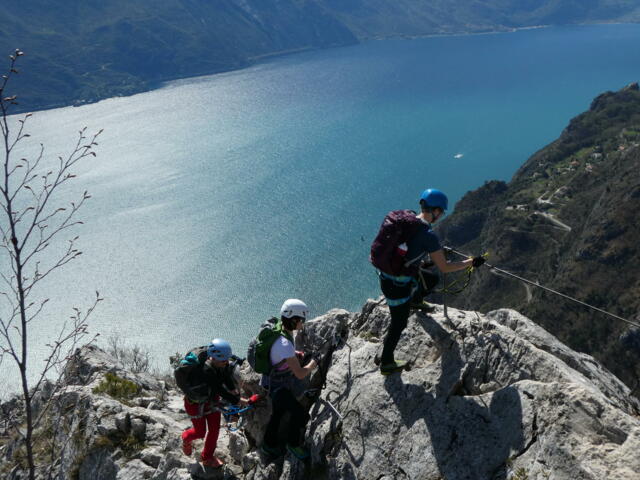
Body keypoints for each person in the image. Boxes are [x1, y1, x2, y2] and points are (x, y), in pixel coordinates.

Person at [375, 188, 485, 375]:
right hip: (397, 285)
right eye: (441, 212)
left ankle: (416, 300)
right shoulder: (428, 235)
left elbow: (412, 255)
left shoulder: (407, 220)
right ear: (435, 211)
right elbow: (445, 267)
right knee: (398, 323)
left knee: (431, 278)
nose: (441, 215)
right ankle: (386, 362)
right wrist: (470, 263)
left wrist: (435, 255)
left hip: (389, 275)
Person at [261, 299, 318, 460]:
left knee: (278, 414)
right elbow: (300, 374)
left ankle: (268, 445)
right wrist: (314, 363)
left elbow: (281, 354)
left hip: (269, 382)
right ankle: (293, 444)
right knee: (301, 415)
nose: (303, 323)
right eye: (302, 320)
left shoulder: (279, 330)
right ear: (294, 320)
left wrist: (294, 355)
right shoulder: (284, 343)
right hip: (278, 387)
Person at [179, 338, 248, 468]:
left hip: (211, 400)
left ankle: (207, 457)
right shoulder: (206, 370)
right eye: (223, 360)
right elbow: (219, 389)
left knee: (214, 430)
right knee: (200, 433)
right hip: (195, 403)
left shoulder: (222, 363)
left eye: (227, 359)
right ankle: (185, 438)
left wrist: (233, 390)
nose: (226, 362)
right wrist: (241, 401)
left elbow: (226, 376)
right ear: (213, 358)